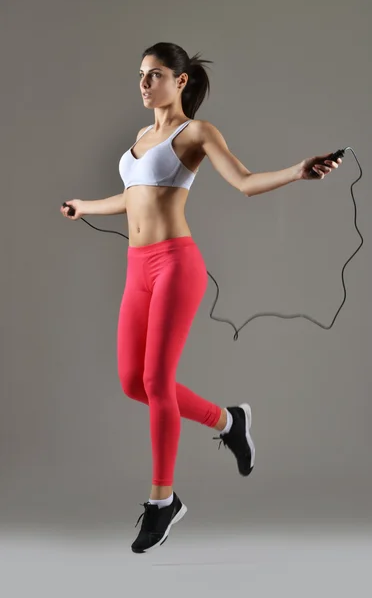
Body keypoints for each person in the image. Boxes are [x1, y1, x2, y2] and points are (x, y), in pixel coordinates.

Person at [60, 42, 342, 554]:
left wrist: (298, 171)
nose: (145, 83)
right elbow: (130, 198)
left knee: (156, 380)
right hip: (137, 268)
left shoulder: (197, 133)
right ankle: (230, 421)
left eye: (156, 75)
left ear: (181, 81)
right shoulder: (142, 137)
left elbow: (245, 182)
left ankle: (163, 502)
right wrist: (85, 205)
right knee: (132, 382)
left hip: (176, 264)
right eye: (141, 74)